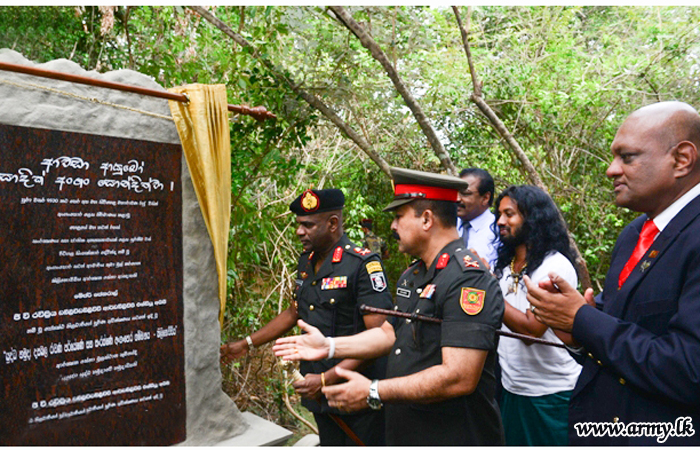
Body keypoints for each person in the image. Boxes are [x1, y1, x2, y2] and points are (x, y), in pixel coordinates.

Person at [274, 167, 505, 446]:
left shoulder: (467, 278)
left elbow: (459, 376)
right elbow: (389, 335)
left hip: (451, 434)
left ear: (427, 219)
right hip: (408, 429)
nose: (393, 227)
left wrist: (373, 390)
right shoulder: (414, 275)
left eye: (398, 217)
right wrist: (330, 346)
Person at [525, 101, 700, 445]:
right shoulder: (635, 233)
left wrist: (583, 319)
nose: (611, 170)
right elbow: (625, 323)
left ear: (681, 159)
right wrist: (575, 331)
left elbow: (689, 370)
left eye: (627, 157)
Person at [220, 188, 393, 446]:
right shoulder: (307, 261)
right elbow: (294, 312)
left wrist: (326, 379)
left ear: (333, 223)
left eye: (308, 225)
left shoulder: (362, 265)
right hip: (316, 389)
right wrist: (246, 344)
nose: (300, 231)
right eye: (299, 225)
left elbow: (380, 339)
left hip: (353, 392)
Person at [492, 185, 581, 445]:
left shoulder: (554, 266)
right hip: (512, 389)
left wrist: (488, 289)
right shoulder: (506, 266)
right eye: (499, 214)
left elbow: (532, 331)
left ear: (532, 218)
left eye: (509, 214)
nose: (500, 221)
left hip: (551, 394)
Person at [457, 168, 499, 268]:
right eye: (456, 192)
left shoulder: (497, 231)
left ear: (485, 198)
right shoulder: (447, 223)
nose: (457, 199)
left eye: (465, 193)